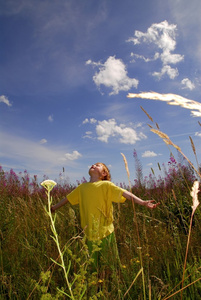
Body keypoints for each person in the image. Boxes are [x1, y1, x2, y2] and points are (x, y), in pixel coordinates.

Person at [51, 162, 159, 271]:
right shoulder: (82, 187)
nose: (93, 165)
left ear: (103, 173)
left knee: (110, 262)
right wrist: (54, 207)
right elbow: (67, 199)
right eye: (93, 164)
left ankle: (112, 280)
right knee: (91, 265)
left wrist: (142, 202)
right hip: (89, 233)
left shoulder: (106, 185)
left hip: (106, 232)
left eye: (97, 165)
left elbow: (124, 193)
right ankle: (95, 283)